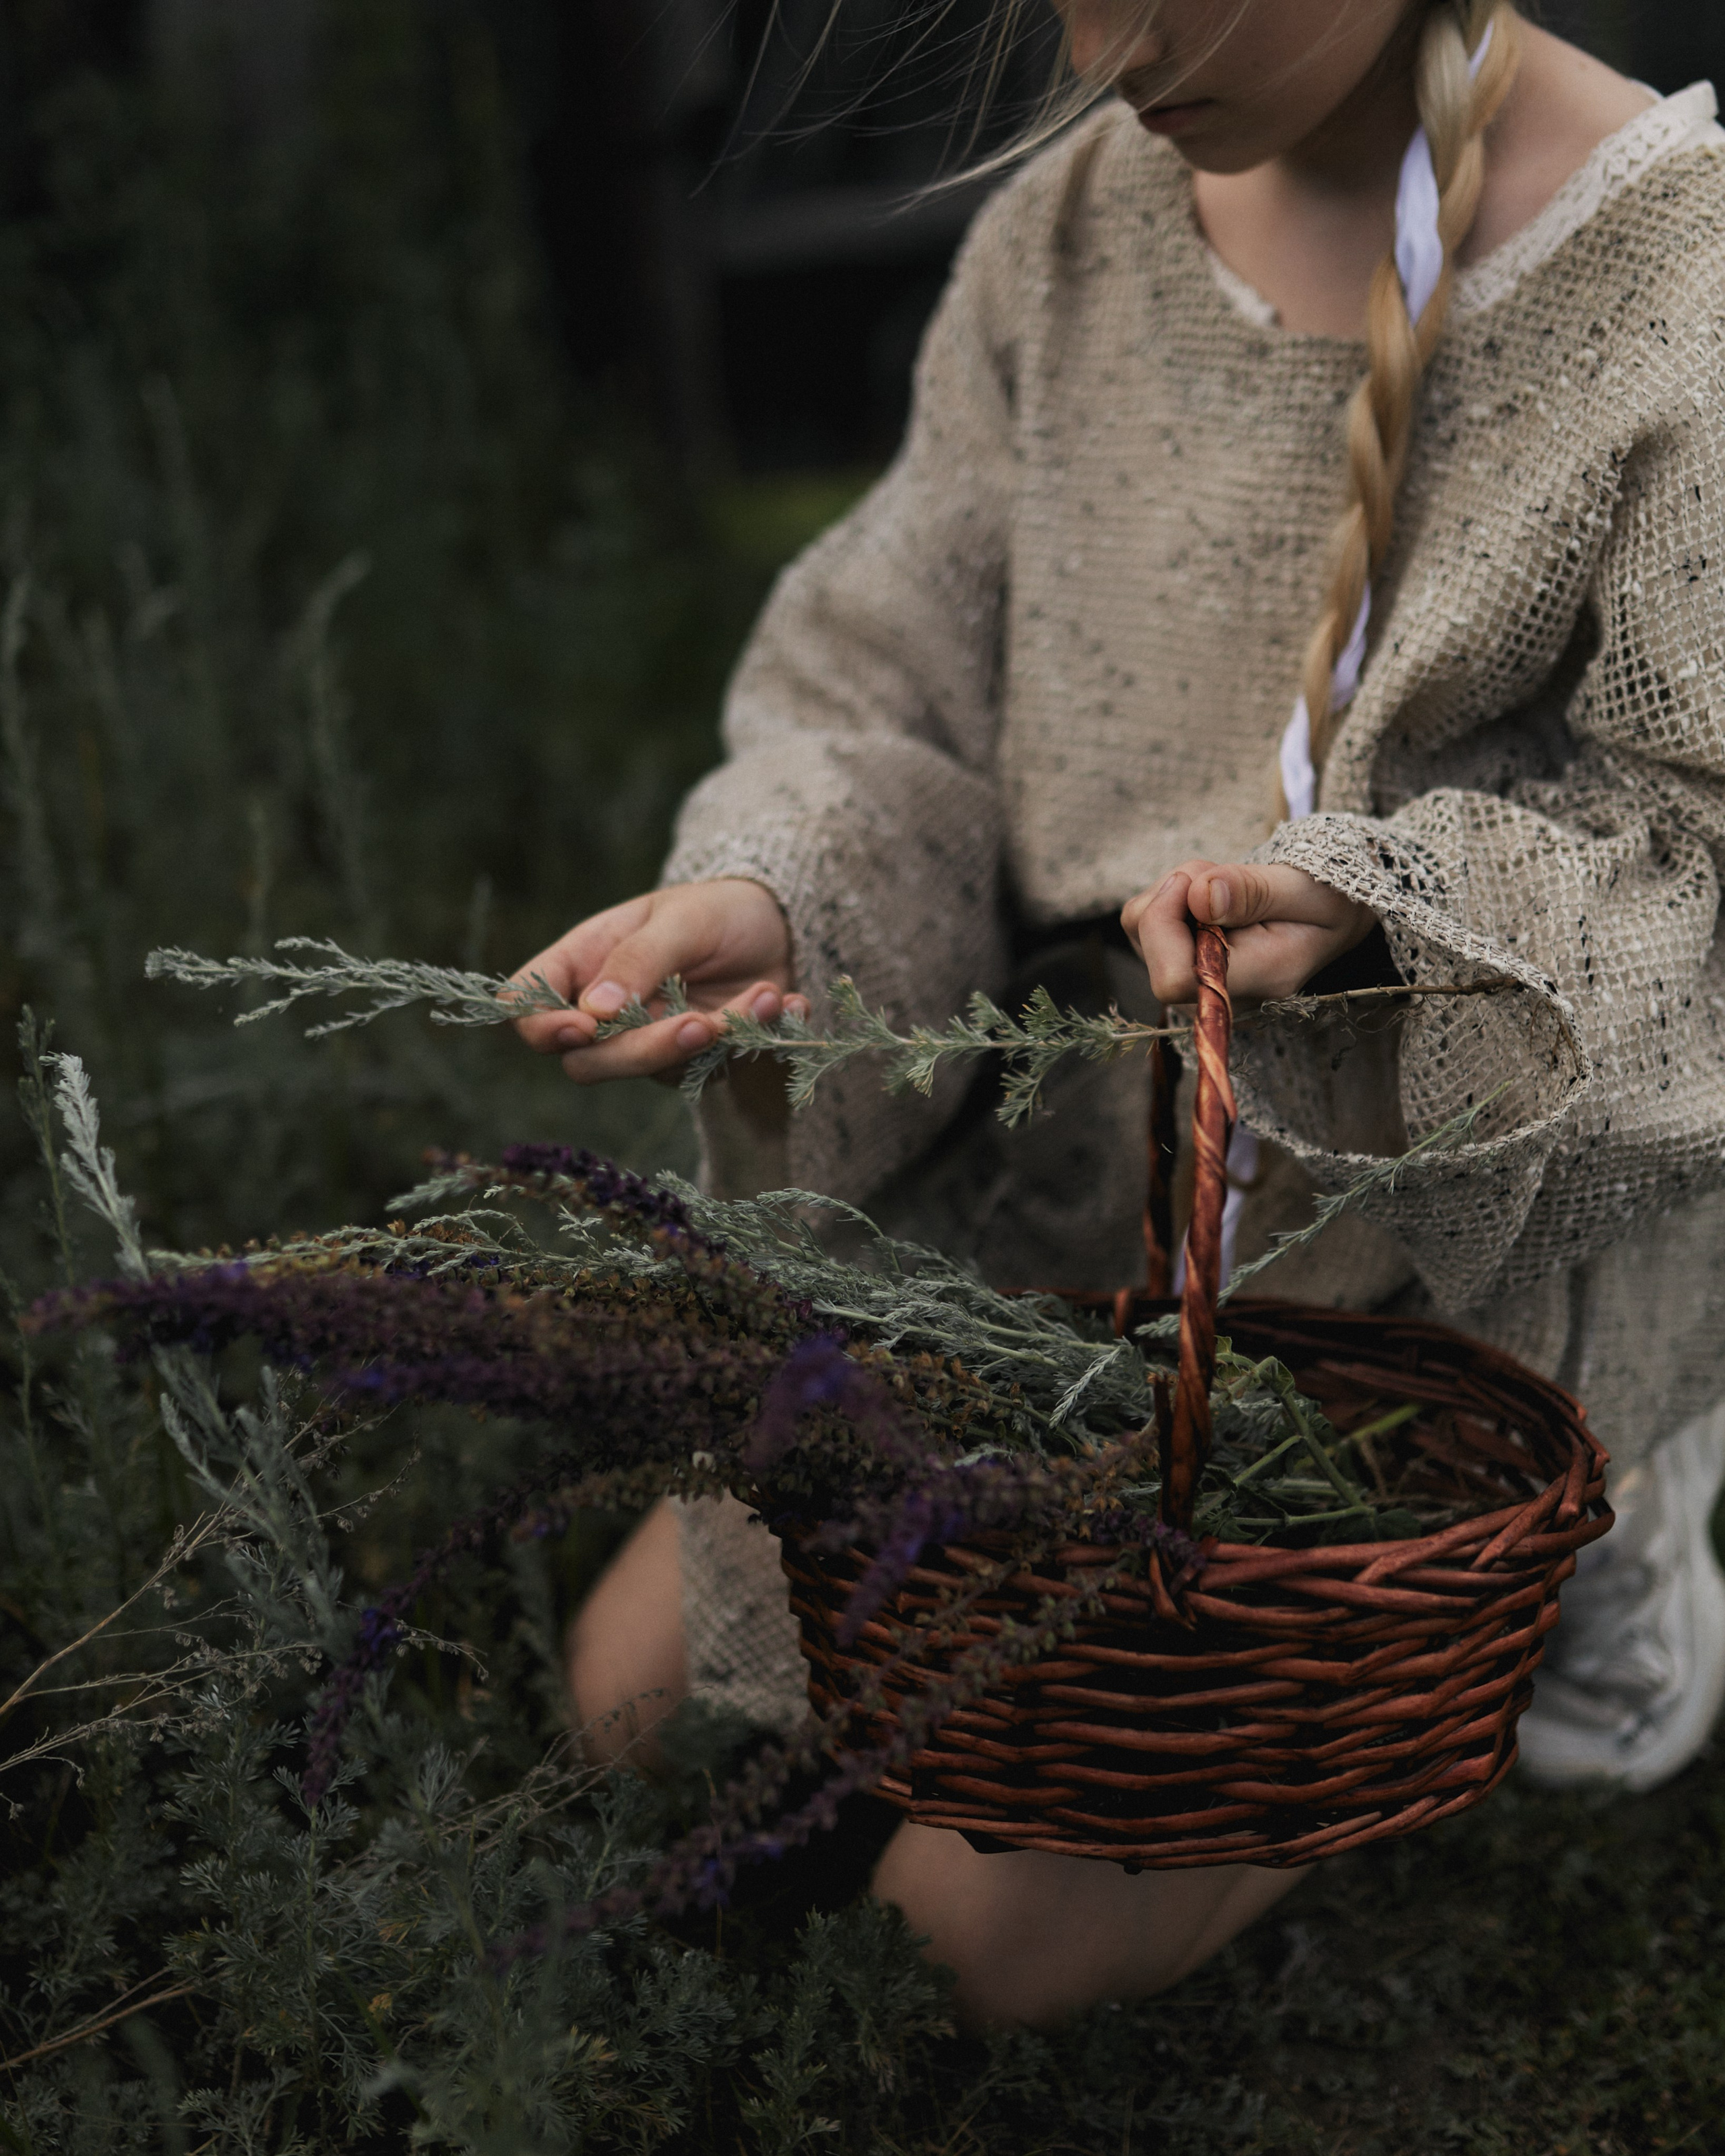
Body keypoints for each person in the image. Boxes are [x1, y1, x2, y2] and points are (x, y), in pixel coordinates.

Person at [514, 0, 1725, 2028]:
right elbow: (889, 687)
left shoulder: (1679, 291)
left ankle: (1613, 1529)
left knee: (954, 1948)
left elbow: (1701, 855)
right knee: (629, 1708)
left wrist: (1392, 903)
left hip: (1428, 1282)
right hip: (1091, 1240)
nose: (1108, 34)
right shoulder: (1073, 233)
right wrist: (779, 892)